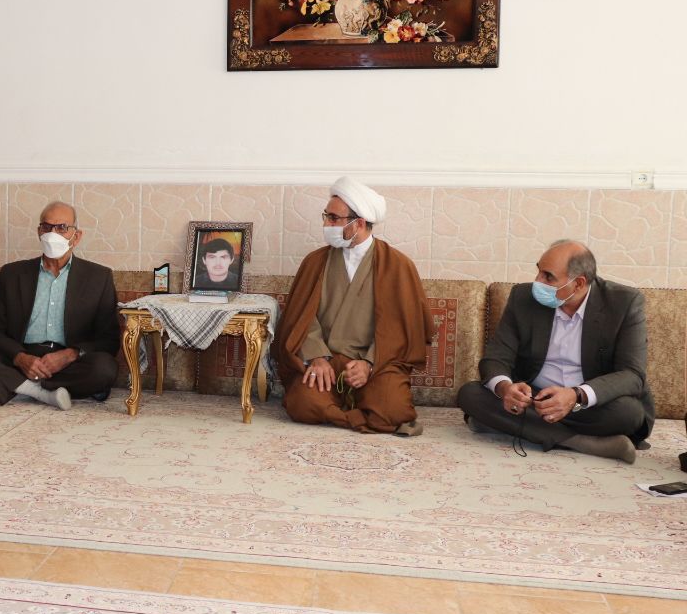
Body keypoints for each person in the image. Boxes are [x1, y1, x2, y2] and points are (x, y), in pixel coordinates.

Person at [456, 240, 652, 464]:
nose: (537, 281)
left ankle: (507, 424)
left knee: (629, 413)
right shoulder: (523, 297)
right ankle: (580, 442)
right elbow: (496, 357)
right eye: (538, 271)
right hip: (534, 398)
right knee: (470, 394)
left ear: (578, 283)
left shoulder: (623, 302)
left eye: (548, 277)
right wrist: (506, 388)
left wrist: (576, 395)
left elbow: (632, 374)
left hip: (583, 404)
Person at [275, 177, 433, 435]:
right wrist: (317, 357)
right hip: (327, 361)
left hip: (378, 364)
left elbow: (403, 330)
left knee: (393, 410)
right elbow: (301, 317)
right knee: (302, 404)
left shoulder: (398, 266)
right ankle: (361, 417)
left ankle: (345, 412)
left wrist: (369, 363)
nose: (326, 225)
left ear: (358, 223)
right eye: (326, 216)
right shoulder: (315, 262)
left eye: (333, 218)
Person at [0, 201, 119, 409]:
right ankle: (40, 391)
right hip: (20, 359)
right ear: (39, 232)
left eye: (62, 228)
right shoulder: (13, 274)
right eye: (47, 227)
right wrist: (20, 358)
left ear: (76, 236)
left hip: (68, 363)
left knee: (104, 369)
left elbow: (109, 339)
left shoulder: (98, 277)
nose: (53, 234)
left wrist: (69, 355)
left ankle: (13, 385)